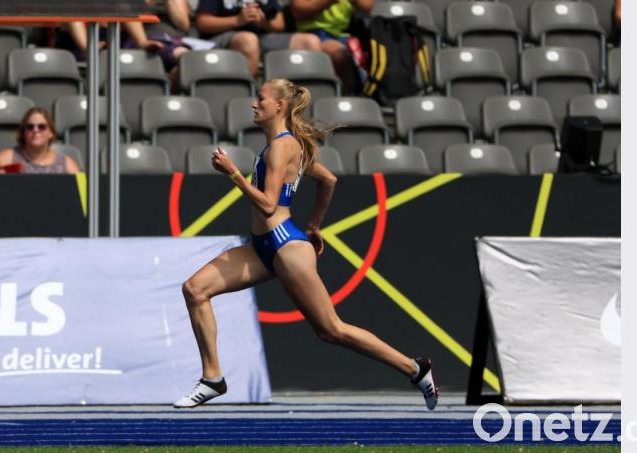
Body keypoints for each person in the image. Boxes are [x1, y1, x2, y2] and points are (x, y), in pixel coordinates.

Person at [173, 79, 439, 410]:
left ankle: (415, 368)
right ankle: (213, 378)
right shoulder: (284, 145)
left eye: (261, 99)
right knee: (195, 289)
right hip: (263, 247)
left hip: (285, 247)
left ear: (279, 106)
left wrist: (233, 174)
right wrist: (314, 225)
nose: (254, 104)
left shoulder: (283, 146)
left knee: (331, 330)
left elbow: (268, 206)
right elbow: (328, 180)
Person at [196, 0, 322, 77]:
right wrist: (237, 20)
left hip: (261, 37)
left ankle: (308, 105)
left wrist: (263, 23)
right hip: (222, 38)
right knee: (249, 40)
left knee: (311, 42)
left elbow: (279, 24)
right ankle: (246, 100)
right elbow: (202, 23)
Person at [291, 0, 373, 93]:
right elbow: (298, 10)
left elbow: (368, 7)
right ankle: (342, 97)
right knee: (338, 53)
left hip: (344, 35)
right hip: (312, 34)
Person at [0, 107, 81, 175]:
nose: (35, 130)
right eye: (30, 127)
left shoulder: (65, 163)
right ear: (23, 132)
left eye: (41, 127)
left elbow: (83, 194)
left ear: (51, 133)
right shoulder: (9, 157)